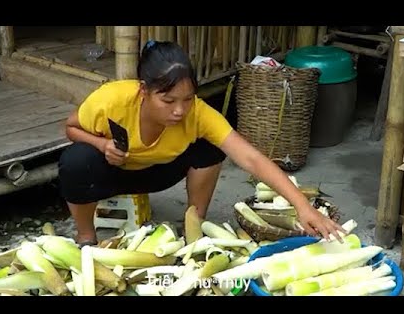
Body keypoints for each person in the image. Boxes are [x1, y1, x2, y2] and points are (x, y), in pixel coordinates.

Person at [59, 40, 346, 247]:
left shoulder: (198, 113)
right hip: (115, 172)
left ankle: (193, 225)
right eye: (168, 100)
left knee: (210, 145)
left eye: (187, 99)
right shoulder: (112, 99)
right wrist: (101, 146)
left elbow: (251, 159)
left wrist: (302, 206)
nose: (179, 111)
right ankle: (86, 236)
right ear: (144, 91)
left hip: (161, 173)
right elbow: (71, 128)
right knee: (76, 160)